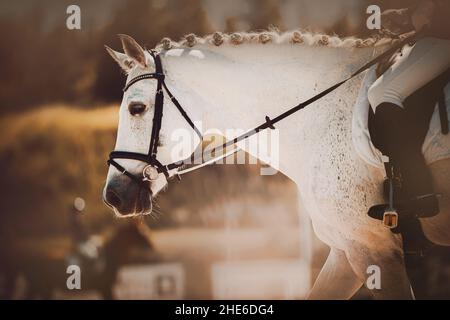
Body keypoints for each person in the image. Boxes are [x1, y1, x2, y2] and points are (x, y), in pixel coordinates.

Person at [368, 1, 450, 207]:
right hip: (435, 32)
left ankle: (418, 189)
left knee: (382, 92)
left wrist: (417, 16)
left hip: (443, 35)